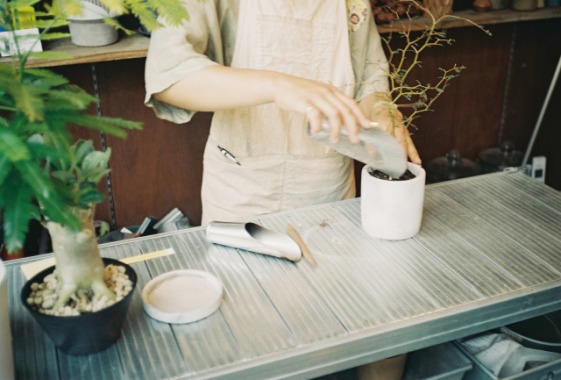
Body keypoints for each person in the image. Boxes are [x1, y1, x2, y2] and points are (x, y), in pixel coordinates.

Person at [145, 0, 421, 226]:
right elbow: (169, 77)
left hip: (327, 186)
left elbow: (369, 79)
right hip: (241, 188)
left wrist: (380, 110)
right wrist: (278, 85)